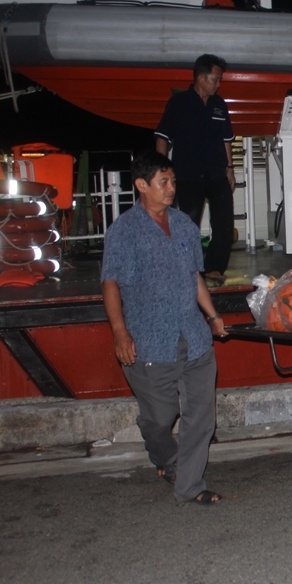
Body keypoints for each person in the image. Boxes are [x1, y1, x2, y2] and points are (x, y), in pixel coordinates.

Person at [101, 151, 226, 505]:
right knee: (159, 418)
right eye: (163, 182)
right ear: (142, 185)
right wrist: (119, 332)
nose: (171, 189)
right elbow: (110, 283)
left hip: (194, 337)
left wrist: (213, 316)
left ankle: (189, 486)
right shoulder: (124, 231)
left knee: (201, 417)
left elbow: (194, 276)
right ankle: (163, 456)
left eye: (172, 181)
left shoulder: (185, 224)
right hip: (151, 341)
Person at [154, 53, 235, 287]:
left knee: (224, 222)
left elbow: (227, 139)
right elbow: (162, 137)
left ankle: (215, 268)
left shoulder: (219, 105)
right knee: (189, 224)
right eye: (215, 79)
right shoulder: (179, 103)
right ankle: (190, 269)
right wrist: (161, 173)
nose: (219, 84)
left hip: (217, 172)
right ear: (201, 77)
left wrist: (230, 168)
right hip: (188, 174)